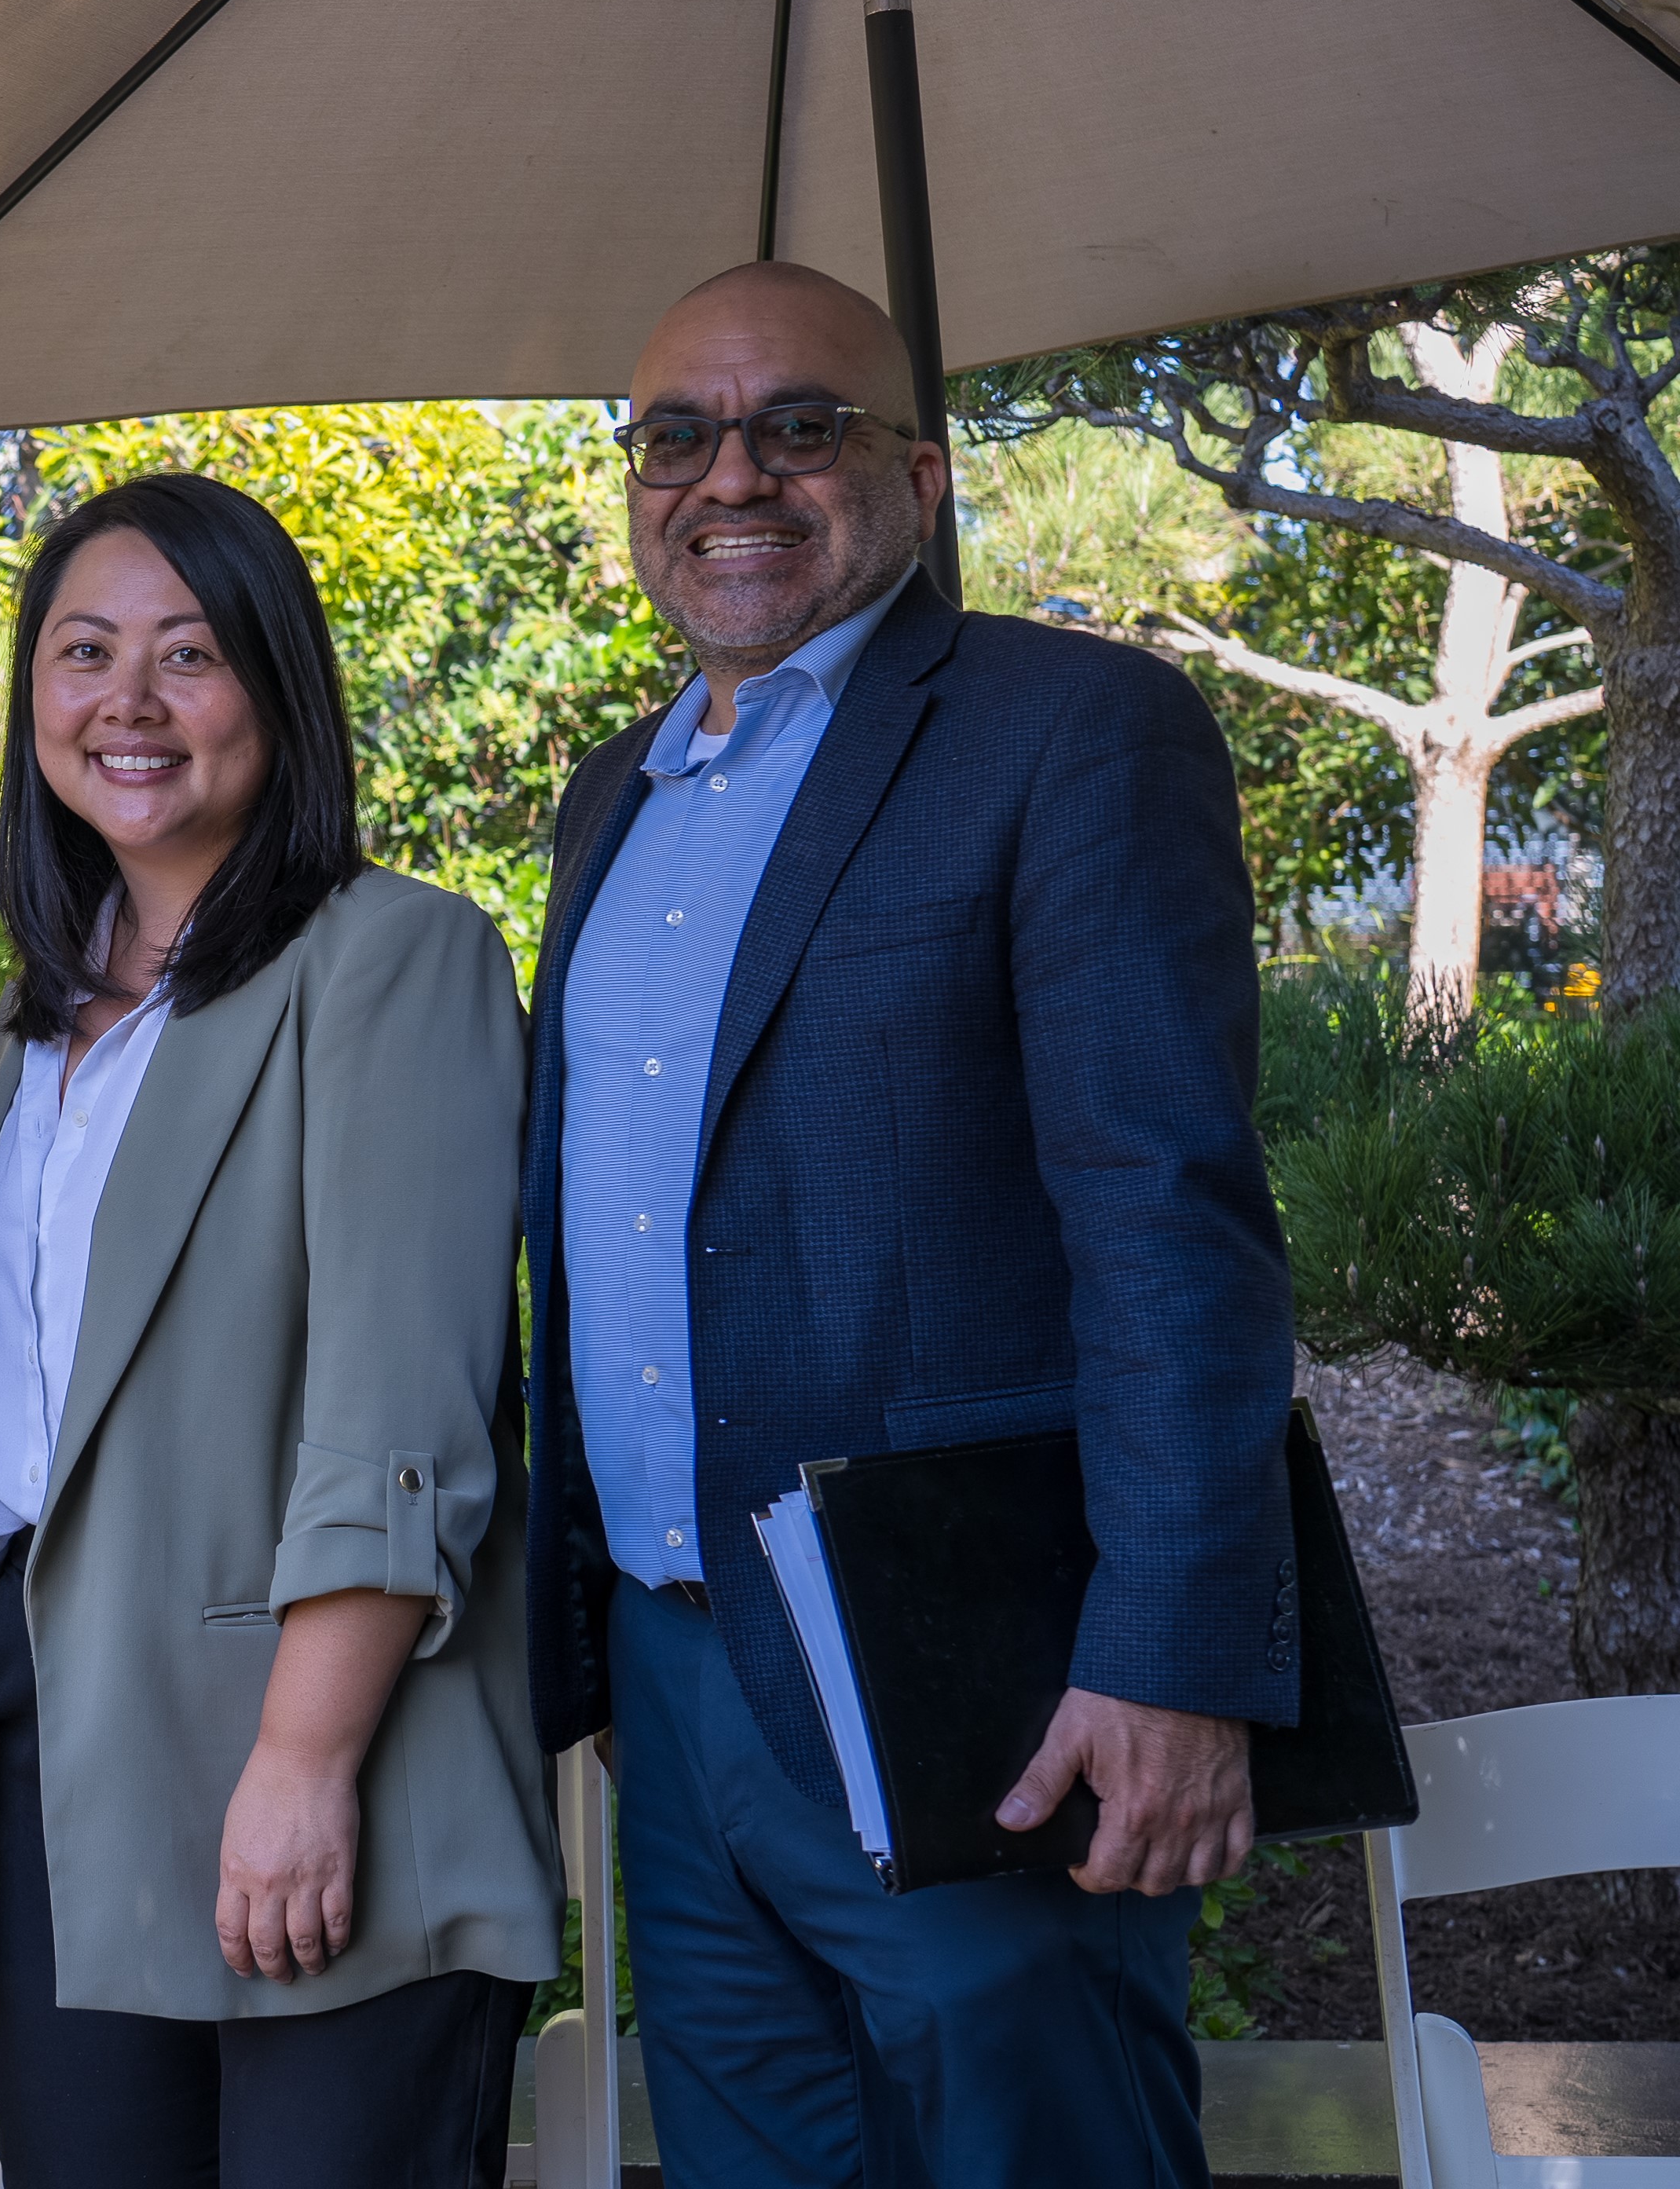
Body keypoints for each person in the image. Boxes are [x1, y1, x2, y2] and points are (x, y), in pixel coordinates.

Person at [522, 262, 1300, 2187]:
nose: (733, 478)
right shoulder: (612, 794)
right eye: (677, 436)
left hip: (983, 1678)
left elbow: (1168, 1219)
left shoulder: (1074, 732)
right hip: (683, 1681)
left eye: (802, 426)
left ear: (923, 475)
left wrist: (1178, 1653)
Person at [0, 473, 558, 2189]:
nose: (128, 701)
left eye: (188, 654)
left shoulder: (391, 957)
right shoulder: (46, 1017)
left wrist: (302, 1761)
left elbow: (401, 1412)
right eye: (84, 650)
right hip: (67, 1748)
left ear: (278, 684)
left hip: (308, 1741)